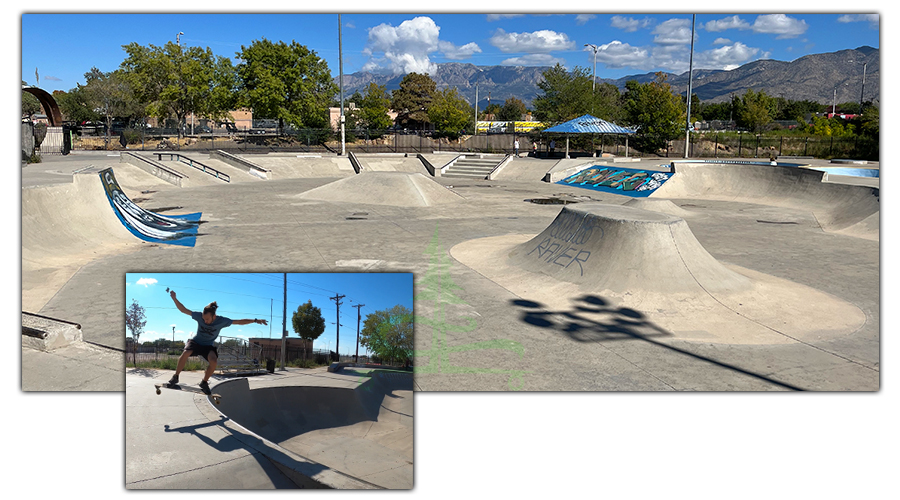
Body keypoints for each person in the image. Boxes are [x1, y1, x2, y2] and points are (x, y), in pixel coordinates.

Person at [167, 290, 267, 394]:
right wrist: (174, 298)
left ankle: (204, 382)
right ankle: (175, 377)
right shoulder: (199, 316)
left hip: (208, 346)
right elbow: (183, 310)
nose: (205, 322)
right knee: (185, 353)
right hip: (196, 342)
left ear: (214, 316)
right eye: (204, 319)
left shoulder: (222, 321)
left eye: (207, 319)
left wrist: (255, 320)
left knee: (214, 362)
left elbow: (239, 322)